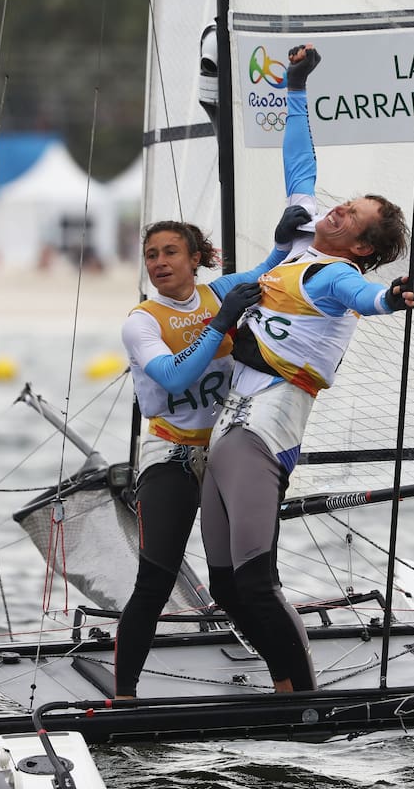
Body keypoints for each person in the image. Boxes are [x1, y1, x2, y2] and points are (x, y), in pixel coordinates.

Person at [199, 44, 414, 693]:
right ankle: (283, 687)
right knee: (223, 583)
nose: (334, 209)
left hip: (262, 431)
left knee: (255, 580)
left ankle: (302, 698)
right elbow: (300, 158)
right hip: (228, 427)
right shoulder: (301, 241)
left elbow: (364, 301)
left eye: (348, 215)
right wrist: (295, 88)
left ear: (360, 246)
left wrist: (392, 299)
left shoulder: (337, 276)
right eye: (342, 204)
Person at [114, 207, 312, 699]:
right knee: (155, 580)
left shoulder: (219, 292)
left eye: (170, 253)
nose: (158, 263)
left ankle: (287, 684)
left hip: (228, 452)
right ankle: (123, 698)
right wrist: (220, 324)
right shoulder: (142, 322)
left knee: (239, 584)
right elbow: (174, 377)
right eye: (151, 255)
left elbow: (277, 267)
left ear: (196, 259)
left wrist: (288, 237)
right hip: (172, 455)